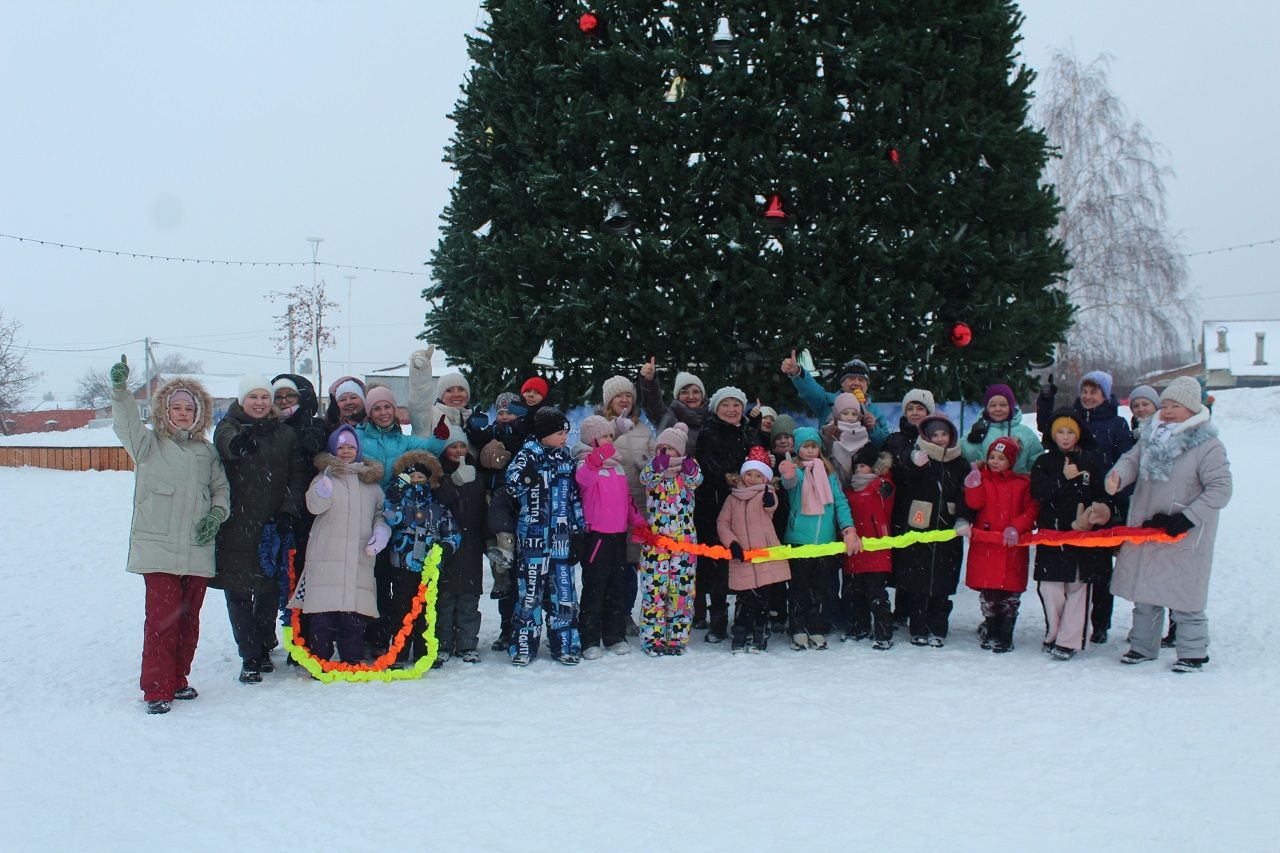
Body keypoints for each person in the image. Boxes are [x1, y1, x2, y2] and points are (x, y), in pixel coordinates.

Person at [110, 356, 229, 714]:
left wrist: (217, 514)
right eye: (175, 407)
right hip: (158, 549)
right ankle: (157, 689)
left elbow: (220, 489)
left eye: (188, 408)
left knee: (189, 621)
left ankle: (178, 679)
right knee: (162, 621)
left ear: (199, 413)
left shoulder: (206, 451)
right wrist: (120, 392)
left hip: (196, 548)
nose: (182, 413)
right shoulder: (149, 445)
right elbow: (126, 423)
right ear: (164, 410)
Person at [1106, 376, 1232, 672]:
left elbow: (1220, 489)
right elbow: (1131, 460)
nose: (1169, 411)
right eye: (1166, 405)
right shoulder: (1152, 435)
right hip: (1148, 527)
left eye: (1176, 405)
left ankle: (1192, 651)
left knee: (1184, 594)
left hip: (1183, 532)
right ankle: (1142, 646)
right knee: (1145, 591)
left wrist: (1186, 518)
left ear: (1191, 409)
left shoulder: (1208, 445)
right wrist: (1117, 476)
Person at [211, 374, 311, 684]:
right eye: (253, 397)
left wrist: (288, 511)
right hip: (236, 525)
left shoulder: (285, 435)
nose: (259, 402)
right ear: (243, 400)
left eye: (264, 397)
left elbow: (297, 476)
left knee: (269, 590)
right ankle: (249, 654)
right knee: (239, 592)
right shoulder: (229, 426)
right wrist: (239, 444)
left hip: (272, 525)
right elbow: (225, 443)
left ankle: (264, 644)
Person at [1037, 370, 1135, 644]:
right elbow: (1048, 427)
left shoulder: (1116, 424)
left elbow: (1126, 461)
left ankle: (1100, 623)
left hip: (1103, 501)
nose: (1089, 396)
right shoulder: (1073, 419)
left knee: (1100, 571)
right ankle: (1066, 625)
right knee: (1067, 571)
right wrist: (1046, 401)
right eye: (1086, 391)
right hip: (1068, 506)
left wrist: (1114, 503)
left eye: (1095, 392)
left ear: (1105, 395)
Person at [287, 426, 391, 665]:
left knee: (354, 617)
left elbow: (381, 513)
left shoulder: (371, 486)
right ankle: (319, 660)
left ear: (358, 450)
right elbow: (314, 506)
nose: (346, 452)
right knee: (322, 617)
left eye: (351, 447)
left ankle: (351, 660)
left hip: (359, 557)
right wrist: (322, 492)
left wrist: (381, 530)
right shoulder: (324, 477)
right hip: (326, 558)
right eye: (341, 447)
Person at [1030, 409, 1114, 661]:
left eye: (1069, 432)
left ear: (1078, 435)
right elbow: (1038, 493)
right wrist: (1061, 479)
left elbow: (1103, 494)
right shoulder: (1043, 462)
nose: (1065, 437)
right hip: (1052, 535)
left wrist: (1098, 511)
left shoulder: (1092, 461)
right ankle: (1053, 632)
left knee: (1079, 588)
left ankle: (1069, 640)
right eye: (1060, 432)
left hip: (1083, 538)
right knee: (1050, 588)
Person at [506, 407, 587, 666]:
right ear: (543, 434)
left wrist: (579, 531)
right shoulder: (527, 455)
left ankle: (564, 644)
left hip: (561, 537)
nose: (564, 438)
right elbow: (511, 484)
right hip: (533, 536)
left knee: (564, 594)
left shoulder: (565, 458)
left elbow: (574, 497)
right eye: (559, 433)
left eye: (566, 433)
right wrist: (530, 474)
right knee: (530, 594)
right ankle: (523, 645)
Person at [693, 386, 764, 642]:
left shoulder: (746, 432)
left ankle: (744, 616)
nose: (731, 410)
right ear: (716, 408)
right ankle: (718, 619)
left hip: (746, 508)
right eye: (726, 404)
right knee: (718, 565)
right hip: (714, 508)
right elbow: (711, 469)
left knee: (744, 561)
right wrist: (737, 483)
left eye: (736, 404)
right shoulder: (708, 433)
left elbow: (758, 463)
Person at [892, 412, 970, 646]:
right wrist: (910, 460)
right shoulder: (918, 457)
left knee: (942, 584)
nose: (939, 439)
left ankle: (938, 628)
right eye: (934, 434)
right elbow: (900, 476)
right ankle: (917, 628)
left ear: (951, 436)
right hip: (919, 529)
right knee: (917, 583)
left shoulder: (960, 462)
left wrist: (963, 519)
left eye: (943, 434)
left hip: (948, 532)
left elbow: (965, 494)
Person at [779, 427, 860, 650]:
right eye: (806, 446)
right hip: (799, 540)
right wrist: (787, 473)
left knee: (820, 589)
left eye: (814, 446)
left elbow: (840, 502)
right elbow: (789, 483)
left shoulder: (830, 475)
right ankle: (797, 629)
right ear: (798, 449)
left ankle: (815, 627)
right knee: (798, 589)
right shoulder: (796, 471)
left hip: (824, 542)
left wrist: (848, 528)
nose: (810, 450)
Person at [384, 447, 463, 666]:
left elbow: (453, 532)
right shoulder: (401, 503)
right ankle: (399, 651)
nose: (416, 480)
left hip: (430, 566)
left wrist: (446, 548)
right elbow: (390, 517)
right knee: (402, 609)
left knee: (428, 611)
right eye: (412, 477)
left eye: (421, 477)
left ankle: (424, 651)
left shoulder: (437, 507)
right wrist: (395, 493)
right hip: (403, 565)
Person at [574, 415, 644, 659]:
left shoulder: (616, 466)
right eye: (604, 436)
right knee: (595, 588)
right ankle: (589, 639)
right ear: (591, 439)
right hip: (597, 537)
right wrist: (595, 461)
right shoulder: (585, 463)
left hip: (618, 536)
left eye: (610, 436)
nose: (609, 440)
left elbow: (626, 500)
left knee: (617, 587)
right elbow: (583, 481)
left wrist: (638, 523)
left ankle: (614, 636)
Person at [962, 437, 1038, 653]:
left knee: (1010, 595)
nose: (995, 461)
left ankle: (1006, 635)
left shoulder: (1022, 484)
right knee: (989, 594)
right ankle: (991, 629)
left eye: (1001, 458)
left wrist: (1016, 526)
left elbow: (1031, 510)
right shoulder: (983, 480)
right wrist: (973, 484)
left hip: (1012, 548)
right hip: (987, 546)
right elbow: (974, 504)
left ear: (1011, 461)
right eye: (992, 457)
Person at [637, 423, 703, 655]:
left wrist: (687, 467)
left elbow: (697, 480)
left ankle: (677, 637)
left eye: (669, 448)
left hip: (684, 543)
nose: (663, 452)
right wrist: (657, 465)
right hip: (656, 542)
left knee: (681, 592)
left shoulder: (688, 472)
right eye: (660, 447)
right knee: (655, 590)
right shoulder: (653, 473)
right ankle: (653, 638)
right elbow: (645, 478)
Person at [597, 376, 655, 637]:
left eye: (628, 395)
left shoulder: (643, 429)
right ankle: (610, 612)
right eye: (618, 395)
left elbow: (655, 460)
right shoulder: (601, 428)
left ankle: (626, 612)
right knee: (612, 564)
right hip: (609, 507)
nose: (624, 400)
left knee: (632, 563)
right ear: (609, 400)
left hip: (639, 506)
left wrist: (650, 464)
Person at [718, 447, 791, 653]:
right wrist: (731, 543)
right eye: (749, 474)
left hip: (764, 554)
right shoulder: (733, 498)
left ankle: (760, 628)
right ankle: (741, 630)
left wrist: (769, 498)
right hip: (742, 555)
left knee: (762, 596)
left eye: (757, 475)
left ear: (765, 478)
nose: (752, 479)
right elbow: (723, 522)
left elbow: (772, 506)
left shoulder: (767, 493)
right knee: (744, 597)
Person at [883, 389, 937, 626]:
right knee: (901, 560)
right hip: (900, 506)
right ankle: (901, 610)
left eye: (920, 408)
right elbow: (887, 465)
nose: (915, 413)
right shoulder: (895, 439)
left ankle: (920, 613)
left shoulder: (938, 437)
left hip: (928, 507)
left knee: (922, 562)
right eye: (911, 408)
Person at [841, 445, 896, 650]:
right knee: (855, 594)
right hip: (854, 551)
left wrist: (884, 472)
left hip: (876, 550)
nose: (858, 470)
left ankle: (883, 632)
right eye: (856, 467)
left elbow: (889, 491)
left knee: (877, 596)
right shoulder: (848, 490)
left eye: (863, 466)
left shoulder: (882, 485)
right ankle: (858, 627)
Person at [780, 349, 889, 447]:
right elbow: (810, 390)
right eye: (851, 378)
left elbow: (883, 444)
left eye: (861, 380)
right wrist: (797, 372)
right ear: (842, 383)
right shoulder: (828, 402)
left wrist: (873, 429)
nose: (856, 383)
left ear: (867, 385)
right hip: (831, 465)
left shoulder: (875, 413)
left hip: (861, 466)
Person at [960, 383, 1044, 474]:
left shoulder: (1026, 434)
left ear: (1011, 407)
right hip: (986, 486)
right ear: (987, 408)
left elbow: (1038, 464)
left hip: (1018, 486)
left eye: (1003, 405)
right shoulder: (977, 430)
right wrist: (971, 441)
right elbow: (967, 461)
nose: (998, 409)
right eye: (993, 405)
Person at [638, 356, 710, 450]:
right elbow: (653, 405)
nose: (691, 396)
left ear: (702, 395)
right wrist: (649, 381)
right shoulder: (669, 417)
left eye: (695, 392)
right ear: (677, 396)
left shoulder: (711, 419)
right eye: (684, 392)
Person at [822, 392, 872, 483]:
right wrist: (825, 436)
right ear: (837, 413)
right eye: (845, 413)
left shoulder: (862, 431)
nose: (850, 418)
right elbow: (824, 452)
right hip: (837, 479)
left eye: (854, 414)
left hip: (859, 481)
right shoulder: (831, 429)